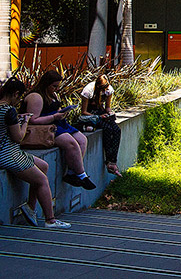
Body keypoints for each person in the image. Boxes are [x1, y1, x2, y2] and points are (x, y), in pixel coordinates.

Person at [0, 78, 70, 229]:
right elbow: (18, 137)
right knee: (42, 180)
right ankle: (50, 220)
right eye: (19, 98)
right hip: (9, 155)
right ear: (16, 93)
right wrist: (25, 121)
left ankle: (30, 208)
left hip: (7, 152)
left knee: (43, 166)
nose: (18, 102)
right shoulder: (9, 111)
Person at [24, 71, 95, 190]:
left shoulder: (53, 95)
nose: (56, 89)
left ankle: (72, 172)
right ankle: (82, 175)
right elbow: (32, 120)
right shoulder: (36, 97)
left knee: (82, 140)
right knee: (70, 143)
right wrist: (53, 117)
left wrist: (61, 114)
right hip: (44, 128)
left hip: (58, 123)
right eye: (54, 86)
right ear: (46, 84)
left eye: (58, 86)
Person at [78, 74, 122, 176]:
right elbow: (83, 112)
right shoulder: (88, 91)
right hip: (91, 114)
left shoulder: (109, 90)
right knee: (107, 129)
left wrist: (110, 113)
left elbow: (107, 107)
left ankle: (113, 161)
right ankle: (108, 160)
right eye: (102, 89)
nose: (104, 92)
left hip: (101, 112)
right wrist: (99, 116)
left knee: (116, 130)